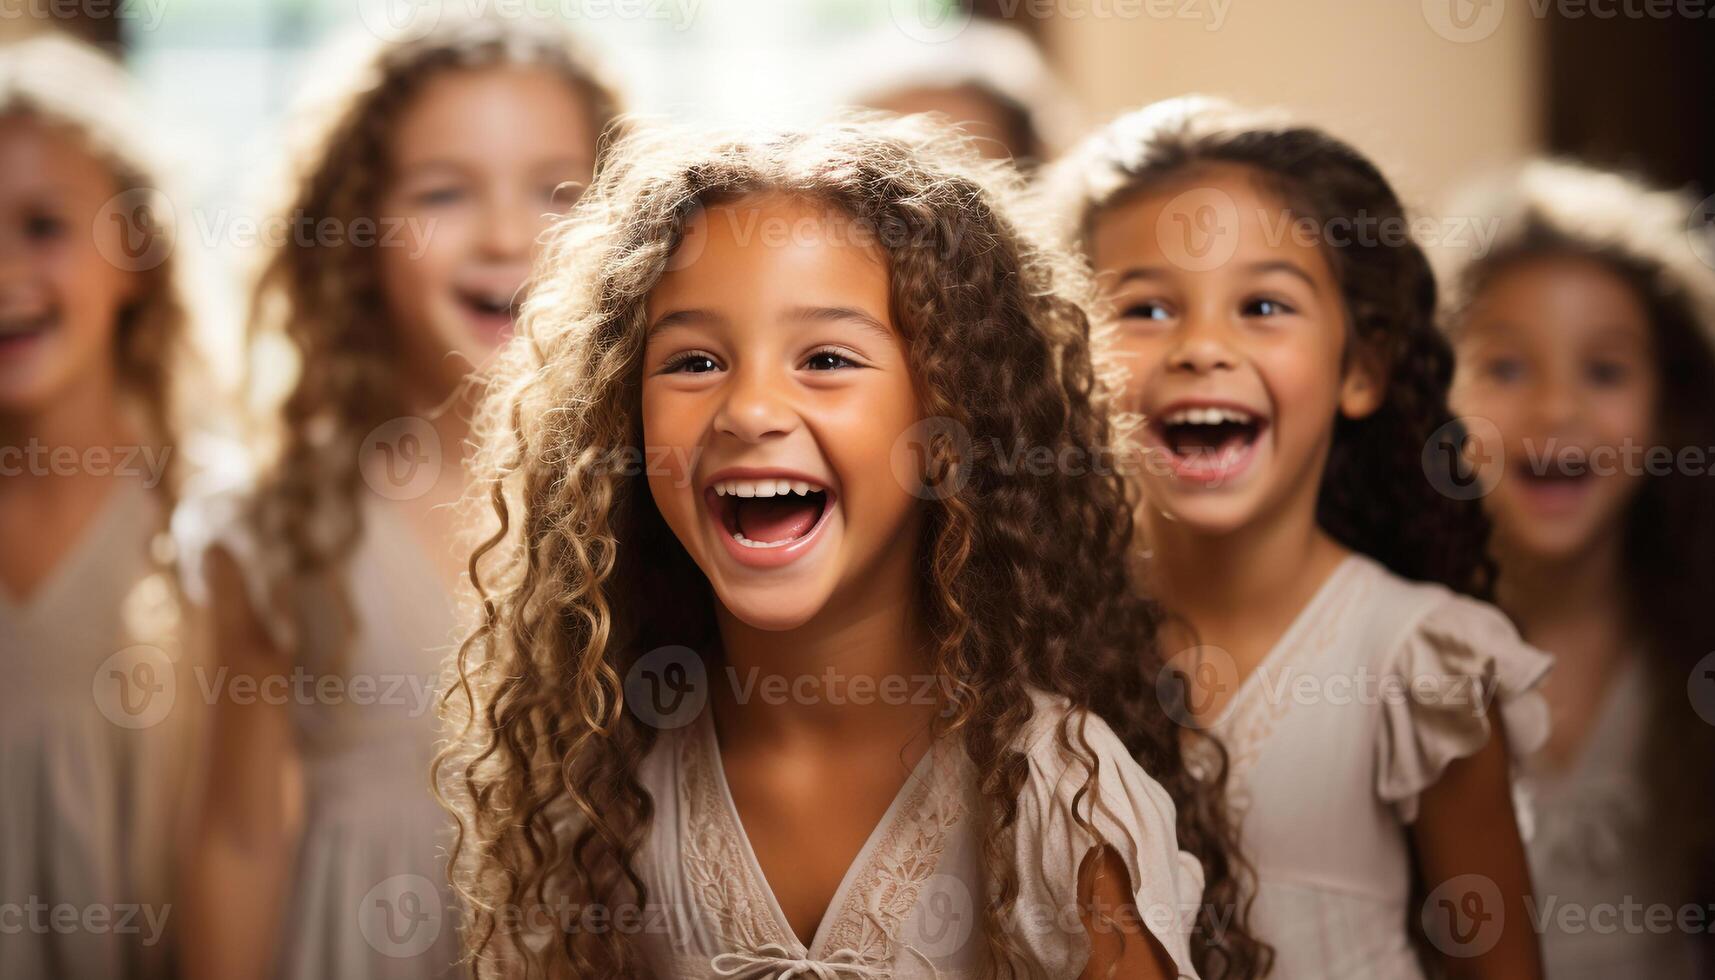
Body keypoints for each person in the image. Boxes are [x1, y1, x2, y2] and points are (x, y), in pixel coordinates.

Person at [436, 115, 1266, 979]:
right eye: (692, 363)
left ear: (947, 429)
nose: (750, 409)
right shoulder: (597, 784)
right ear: (623, 429)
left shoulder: (1064, 800)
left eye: (826, 358)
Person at [1043, 95, 1551, 979]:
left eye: (1264, 305)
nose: (1201, 347)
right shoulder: (1030, 641)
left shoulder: (1421, 664)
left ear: (1359, 368)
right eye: (1147, 310)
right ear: (1070, 357)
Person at [173, 14, 623, 979]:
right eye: (444, 192)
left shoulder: (653, 500)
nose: (507, 234)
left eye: (557, 192)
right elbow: (237, 840)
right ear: (357, 233)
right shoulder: (280, 523)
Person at [1441, 159, 1715, 980]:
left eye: (1603, 371)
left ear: (1668, 410)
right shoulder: (1391, 649)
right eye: (1505, 367)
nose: (1556, 409)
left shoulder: (1694, 637)